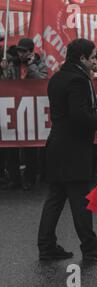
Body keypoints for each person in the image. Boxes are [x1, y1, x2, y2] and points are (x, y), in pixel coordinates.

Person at [37, 39, 97, 261]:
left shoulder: (58, 77)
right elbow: (78, 115)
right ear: (82, 59)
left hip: (57, 144)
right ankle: (90, 247)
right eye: (92, 57)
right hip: (74, 148)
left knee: (56, 197)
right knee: (80, 199)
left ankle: (46, 245)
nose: (95, 61)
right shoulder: (78, 80)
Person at [1, 38, 48, 191]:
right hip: (13, 110)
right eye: (19, 51)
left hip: (30, 112)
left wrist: (31, 65)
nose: (20, 54)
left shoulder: (39, 64)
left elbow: (42, 80)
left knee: (30, 148)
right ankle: (15, 179)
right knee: (11, 147)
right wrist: (3, 70)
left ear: (30, 52)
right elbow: (5, 84)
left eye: (24, 51)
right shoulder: (12, 64)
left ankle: (29, 178)